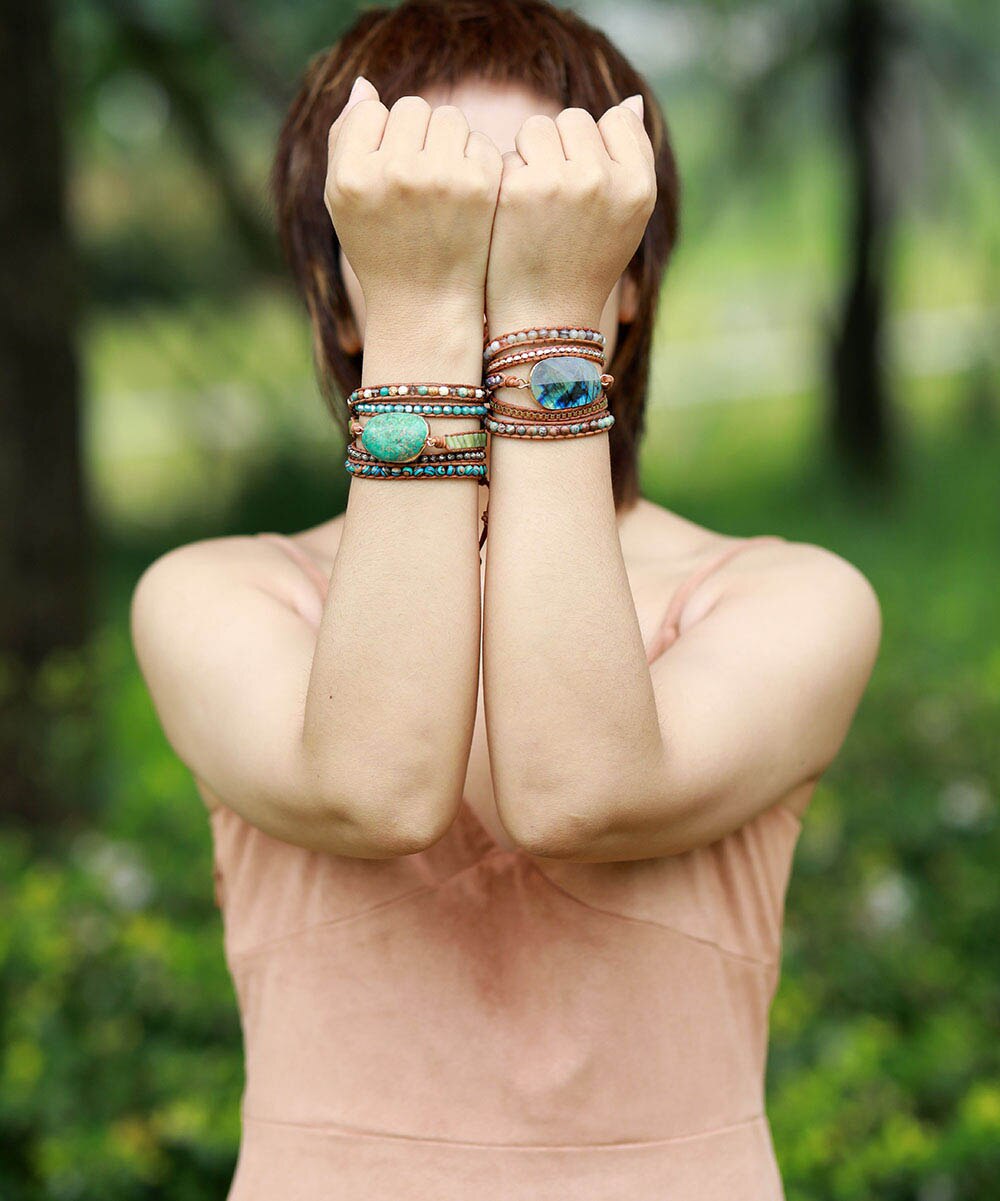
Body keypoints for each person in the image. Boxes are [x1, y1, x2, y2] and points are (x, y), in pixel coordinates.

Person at [130, 2, 882, 1197]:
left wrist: (517, 331)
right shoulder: (219, 594)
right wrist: (428, 321)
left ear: (623, 280)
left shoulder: (786, 598)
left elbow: (577, 789)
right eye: (411, 232)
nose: (471, 260)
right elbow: (374, 786)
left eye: (531, 224)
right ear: (336, 302)